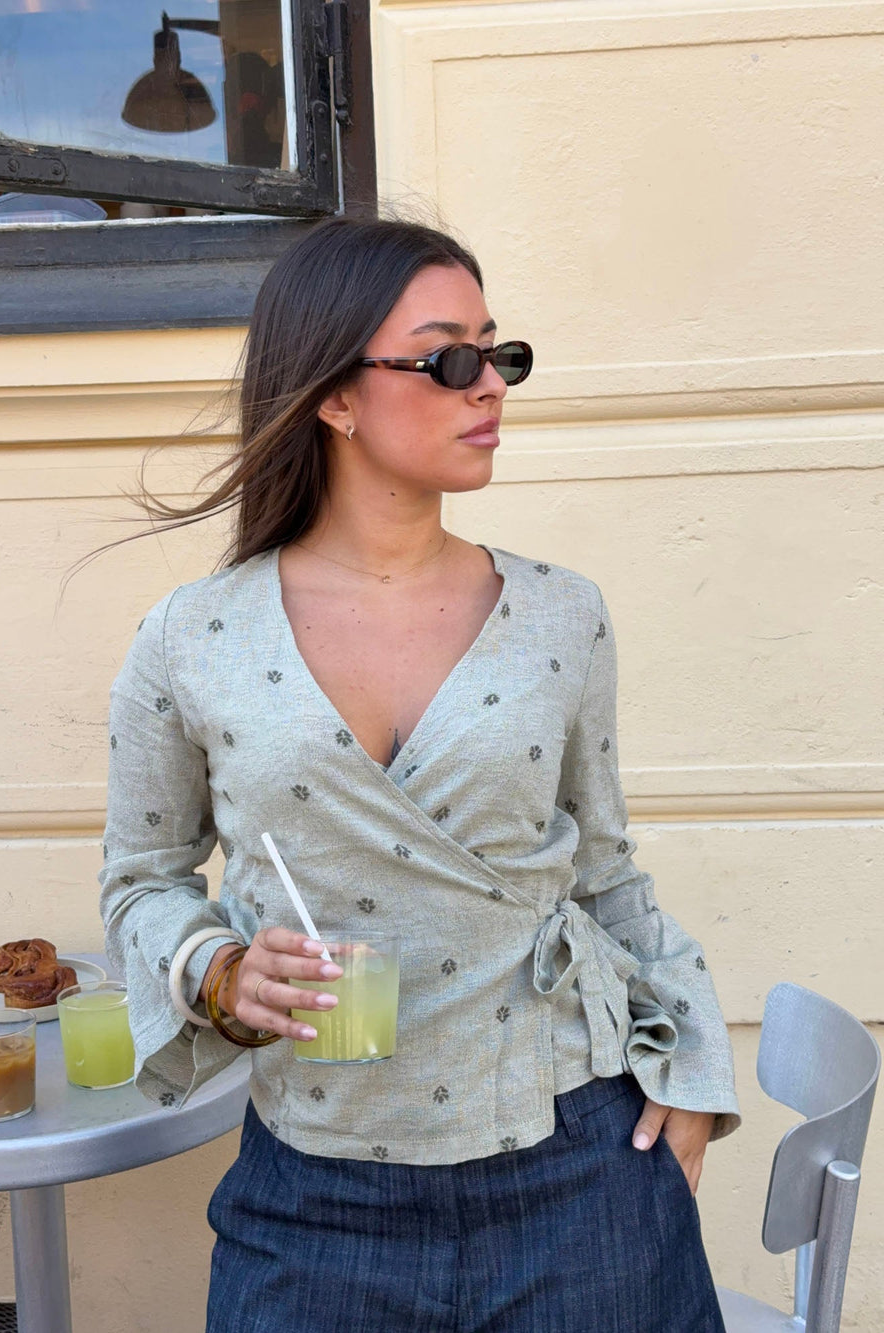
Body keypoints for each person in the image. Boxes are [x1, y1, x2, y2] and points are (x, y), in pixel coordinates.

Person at [100, 217, 740, 1332]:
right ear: (334, 397)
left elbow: (604, 875)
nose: (490, 385)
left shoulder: (563, 615)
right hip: (314, 1192)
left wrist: (690, 1067)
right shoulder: (191, 637)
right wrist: (216, 971)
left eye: (500, 354)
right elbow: (140, 879)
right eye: (448, 359)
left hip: (575, 1166)